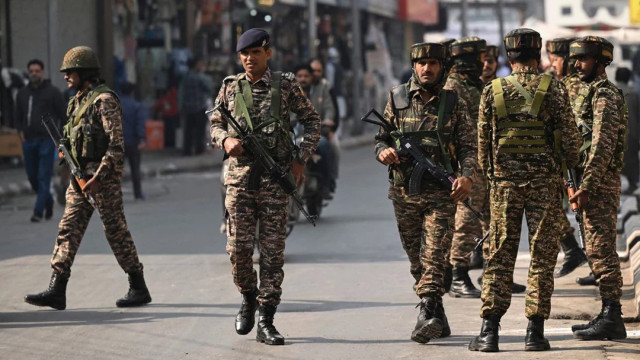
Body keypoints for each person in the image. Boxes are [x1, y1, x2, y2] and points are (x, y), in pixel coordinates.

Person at [468, 28, 581, 352]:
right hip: (544, 187)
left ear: (508, 56)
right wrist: (567, 168)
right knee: (542, 259)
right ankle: (535, 332)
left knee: (499, 257)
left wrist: (494, 179)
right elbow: (571, 142)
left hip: (504, 186)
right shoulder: (554, 88)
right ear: (538, 55)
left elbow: (482, 146)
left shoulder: (492, 90)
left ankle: (489, 332)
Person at [209, 29, 320, 346]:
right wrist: (225, 139)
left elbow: (311, 120)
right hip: (239, 181)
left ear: (267, 53)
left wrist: (300, 158)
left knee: (272, 255)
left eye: (255, 52)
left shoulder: (284, 86)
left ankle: (266, 319)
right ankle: (248, 295)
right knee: (238, 250)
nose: (248, 58)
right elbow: (215, 122)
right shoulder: (230, 87)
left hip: (275, 181)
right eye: (244, 54)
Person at [24, 46, 152, 310]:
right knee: (68, 230)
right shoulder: (76, 101)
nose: (66, 77)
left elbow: (117, 145)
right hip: (78, 178)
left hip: (101, 180)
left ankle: (138, 286)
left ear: (84, 72)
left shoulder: (104, 100)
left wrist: (100, 175)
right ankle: (57, 288)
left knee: (116, 232)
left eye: (70, 71)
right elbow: (75, 136)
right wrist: (65, 151)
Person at [375, 42, 476, 344]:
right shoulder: (397, 98)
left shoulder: (453, 102)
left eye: (432, 63)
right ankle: (438, 314)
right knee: (416, 260)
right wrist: (384, 152)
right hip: (403, 193)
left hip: (440, 195)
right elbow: (380, 138)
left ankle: (426, 313)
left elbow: (469, 145)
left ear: (442, 67)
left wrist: (467, 176)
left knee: (433, 255)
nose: (426, 69)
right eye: (421, 63)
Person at [567, 36, 628, 341]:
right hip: (590, 182)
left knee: (601, 249)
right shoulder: (590, 93)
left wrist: (587, 185)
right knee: (594, 247)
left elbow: (602, 145)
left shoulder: (604, 96)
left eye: (583, 59)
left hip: (599, 184)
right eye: (575, 59)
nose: (576, 64)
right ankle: (607, 312)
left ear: (601, 62)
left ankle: (613, 316)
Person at [442, 36, 487, 299]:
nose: (483, 63)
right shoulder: (453, 87)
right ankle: (458, 274)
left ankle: (492, 274)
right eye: (480, 58)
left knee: (489, 219)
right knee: (466, 219)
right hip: (466, 165)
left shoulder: (473, 84)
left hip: (483, 163)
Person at [544, 37, 590, 279]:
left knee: (585, 215)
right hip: (568, 160)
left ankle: (589, 259)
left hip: (576, 161)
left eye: (556, 59)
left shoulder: (572, 86)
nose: (552, 65)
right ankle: (576, 252)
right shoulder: (563, 83)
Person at [14, 59, 66, 222]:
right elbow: (17, 116)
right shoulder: (23, 93)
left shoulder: (53, 92)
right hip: (28, 140)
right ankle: (48, 201)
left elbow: (63, 115)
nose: (34, 73)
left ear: (42, 72)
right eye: (31, 71)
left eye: (37, 71)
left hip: (46, 139)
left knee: (43, 176)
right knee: (32, 177)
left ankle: (38, 211)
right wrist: (20, 131)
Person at [310, 58, 339, 196]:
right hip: (300, 131)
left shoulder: (325, 87)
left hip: (322, 130)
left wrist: (330, 129)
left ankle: (330, 179)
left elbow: (332, 110)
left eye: (318, 71)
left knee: (333, 146)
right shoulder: (296, 88)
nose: (315, 73)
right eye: (312, 70)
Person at [178, 57, 212, 156]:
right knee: (200, 131)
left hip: (187, 108)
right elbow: (209, 89)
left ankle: (187, 151)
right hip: (200, 107)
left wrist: (180, 106)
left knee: (188, 131)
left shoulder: (185, 78)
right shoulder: (201, 77)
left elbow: (181, 93)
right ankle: (199, 150)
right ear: (196, 65)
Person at [120, 82, 147, 200]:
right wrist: (142, 139)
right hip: (133, 141)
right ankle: (138, 193)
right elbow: (139, 124)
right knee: (135, 168)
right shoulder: (136, 106)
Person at [615, 67, 639, 194]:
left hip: (614, 135)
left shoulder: (610, 93)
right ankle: (632, 183)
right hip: (632, 135)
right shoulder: (634, 95)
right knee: (632, 160)